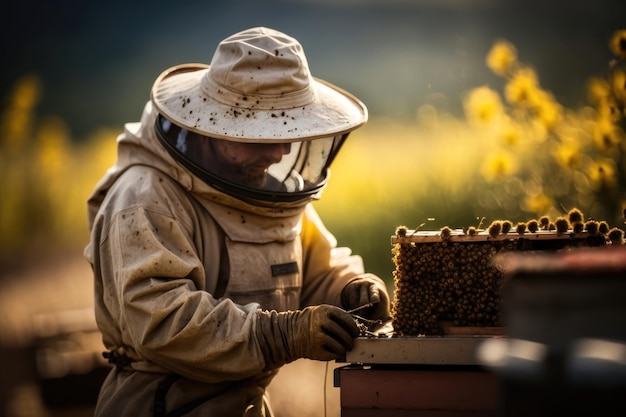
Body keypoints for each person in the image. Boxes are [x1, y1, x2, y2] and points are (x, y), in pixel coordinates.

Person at [84, 26, 390, 417]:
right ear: (214, 125)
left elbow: (312, 269)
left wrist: (351, 290)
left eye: (289, 132)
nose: (280, 152)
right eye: (264, 134)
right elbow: (162, 322)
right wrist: (281, 335)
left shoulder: (263, 190)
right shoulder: (145, 198)